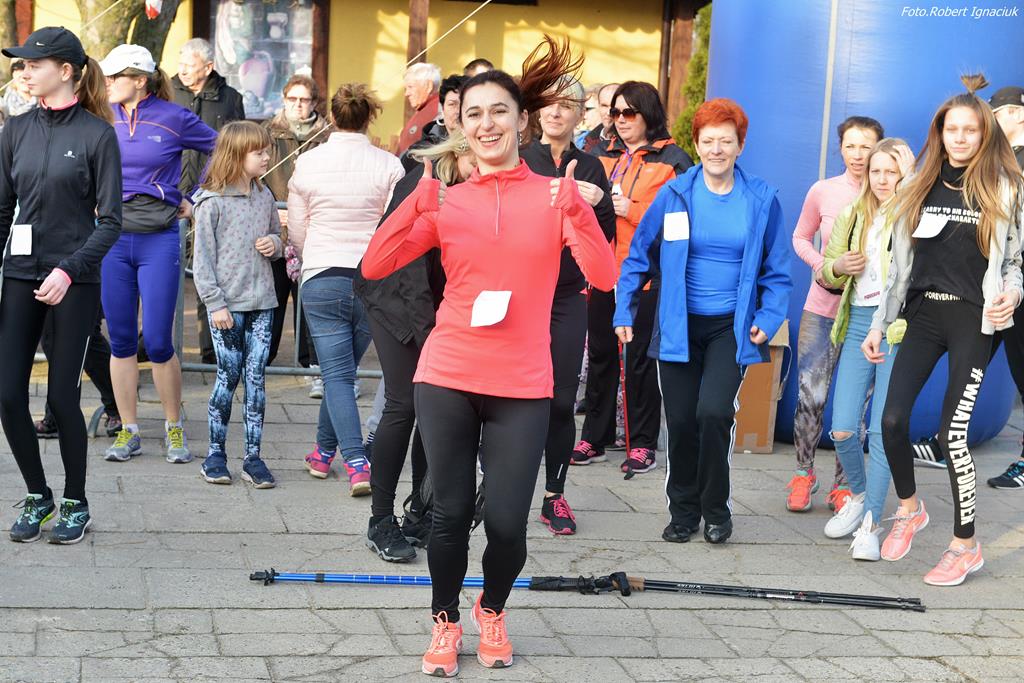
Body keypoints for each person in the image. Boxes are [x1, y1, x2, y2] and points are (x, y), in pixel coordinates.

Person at [361, 36, 616, 677]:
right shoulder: (447, 200)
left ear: (522, 120)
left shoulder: (555, 195)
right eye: (473, 113)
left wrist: (580, 213)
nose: (486, 124)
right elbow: (375, 265)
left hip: (522, 381)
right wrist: (417, 201)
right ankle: (446, 619)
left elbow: (604, 276)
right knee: (448, 514)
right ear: (460, 124)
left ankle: (492, 609)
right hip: (448, 372)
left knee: (505, 523)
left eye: (499, 110)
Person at [863, 74, 1023, 586]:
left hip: (973, 320)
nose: (960, 138)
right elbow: (896, 266)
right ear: (939, 132)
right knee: (891, 420)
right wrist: (879, 322)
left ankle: (965, 545)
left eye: (969, 130)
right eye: (951, 129)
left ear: (984, 134)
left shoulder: (1005, 186)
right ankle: (910, 508)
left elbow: (1014, 261)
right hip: (923, 315)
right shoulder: (918, 184)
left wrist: (1013, 292)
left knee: (954, 435)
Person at [614, 98, 791, 546]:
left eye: (726, 142)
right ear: (696, 144)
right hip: (677, 326)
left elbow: (777, 270)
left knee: (713, 413)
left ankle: (716, 510)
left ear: (740, 146)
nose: (716, 150)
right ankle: (683, 512)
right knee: (681, 421)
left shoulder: (761, 199)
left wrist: (769, 317)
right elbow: (638, 255)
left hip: (730, 327)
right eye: (708, 141)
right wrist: (623, 310)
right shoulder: (675, 194)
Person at [0, 27, 122, 544]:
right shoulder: (14, 129)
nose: (24, 72)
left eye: (34, 64)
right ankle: (38, 494)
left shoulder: (97, 135)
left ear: (66, 70)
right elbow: (2, 210)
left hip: (74, 280)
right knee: (7, 394)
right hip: (20, 273)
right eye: (21, 65)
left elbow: (111, 221)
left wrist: (69, 269)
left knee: (61, 398)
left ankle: (75, 500)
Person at [354, 131, 471, 562]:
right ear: (459, 153)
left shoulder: (482, 185)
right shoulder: (424, 180)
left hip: (437, 305)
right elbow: (409, 274)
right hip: (393, 297)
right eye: (477, 163)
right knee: (404, 402)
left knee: (435, 407)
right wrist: (430, 341)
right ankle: (380, 520)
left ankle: (421, 512)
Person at [98, 44, 217, 464]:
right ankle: (128, 430)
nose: (107, 82)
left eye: (115, 76)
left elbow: (222, 148)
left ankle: (173, 426)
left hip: (158, 238)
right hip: (111, 239)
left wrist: (195, 197)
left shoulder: (173, 117)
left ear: (140, 80)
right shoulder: (101, 115)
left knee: (160, 341)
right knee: (121, 340)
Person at [572, 80, 693, 476]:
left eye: (629, 112)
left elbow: (682, 220)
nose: (620, 120)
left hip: (646, 275)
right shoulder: (600, 154)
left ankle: (642, 443)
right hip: (601, 269)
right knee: (601, 355)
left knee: (639, 360)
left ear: (648, 113)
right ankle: (595, 437)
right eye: (615, 113)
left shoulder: (674, 159)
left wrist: (632, 209)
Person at [288, 83, 404, 496]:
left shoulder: (307, 162)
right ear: (370, 117)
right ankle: (322, 453)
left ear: (332, 116)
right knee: (342, 372)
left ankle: (355, 461)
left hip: (323, 272)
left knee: (336, 375)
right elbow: (393, 225)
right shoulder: (390, 165)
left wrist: (312, 255)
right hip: (372, 277)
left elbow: (297, 228)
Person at [902, 86, 1024, 478]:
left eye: (994, 114)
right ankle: (945, 443)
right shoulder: (994, 163)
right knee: (971, 366)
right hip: (982, 289)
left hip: (1010, 284)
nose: (963, 135)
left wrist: (1014, 286)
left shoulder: (1009, 174)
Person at [521, 78, 617, 534]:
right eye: (550, 104)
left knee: (561, 400)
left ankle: (553, 495)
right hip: (519, 292)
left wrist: (594, 206)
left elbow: (606, 237)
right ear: (538, 111)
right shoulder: (521, 158)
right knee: (514, 397)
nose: (557, 112)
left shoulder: (592, 166)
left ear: (582, 114)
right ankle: (502, 483)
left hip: (566, 295)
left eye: (567, 106)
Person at [819, 138, 914, 559]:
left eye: (891, 172)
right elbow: (827, 270)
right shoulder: (853, 213)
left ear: (905, 174)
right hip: (858, 320)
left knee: (879, 431)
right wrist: (840, 266)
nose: (882, 179)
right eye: (876, 171)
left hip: (897, 325)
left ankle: (872, 525)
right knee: (842, 427)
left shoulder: (912, 213)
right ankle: (859, 496)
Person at [788, 115, 883, 513]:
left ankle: (844, 485)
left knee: (856, 405)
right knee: (811, 396)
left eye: (866, 146)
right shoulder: (823, 191)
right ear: (840, 149)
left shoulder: (891, 194)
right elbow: (799, 237)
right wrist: (824, 265)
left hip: (867, 315)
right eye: (851, 146)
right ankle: (803, 474)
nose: (858, 155)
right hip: (822, 308)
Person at [192, 121, 282, 488]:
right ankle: (215, 453)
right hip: (226, 307)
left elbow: (277, 234)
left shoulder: (264, 195)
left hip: (263, 303)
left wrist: (275, 244)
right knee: (228, 376)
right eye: (259, 152)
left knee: (256, 378)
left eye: (267, 151)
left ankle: (253, 457)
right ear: (236, 155)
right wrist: (215, 304)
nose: (266, 157)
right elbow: (202, 261)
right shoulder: (210, 202)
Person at [172, 37, 246, 365]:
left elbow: (237, 148)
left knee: (209, 272)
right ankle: (154, 343)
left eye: (190, 65)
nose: (183, 70)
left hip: (213, 197)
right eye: (180, 64)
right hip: (172, 196)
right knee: (163, 277)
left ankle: (210, 350)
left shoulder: (231, 99)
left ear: (208, 67)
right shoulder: (168, 93)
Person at [262, 74, 329, 393]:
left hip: (314, 232)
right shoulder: (268, 132)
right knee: (272, 297)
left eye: (304, 100)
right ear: (283, 99)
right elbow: (255, 176)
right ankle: (263, 358)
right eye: (293, 99)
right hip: (275, 229)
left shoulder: (328, 136)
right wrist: (271, 209)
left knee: (309, 300)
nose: (298, 105)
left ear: (314, 103)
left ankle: (311, 364)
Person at [400, 73, 465, 172]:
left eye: (464, 104)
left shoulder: (481, 148)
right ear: (442, 109)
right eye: (452, 104)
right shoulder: (419, 153)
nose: (458, 111)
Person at [398, 63, 441, 154]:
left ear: (428, 86)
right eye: (406, 88)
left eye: (410, 87)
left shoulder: (440, 110)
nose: (406, 94)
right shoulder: (423, 109)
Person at [580, 82, 618, 155]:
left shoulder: (631, 141)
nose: (608, 112)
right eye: (604, 106)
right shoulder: (586, 140)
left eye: (587, 109)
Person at [0, 60, 37, 129]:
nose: (23, 76)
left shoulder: (46, 102)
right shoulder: (3, 106)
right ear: (12, 74)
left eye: (30, 67)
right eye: (17, 68)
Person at [574, 82, 603, 148]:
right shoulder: (578, 139)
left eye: (587, 109)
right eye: (581, 109)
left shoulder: (617, 139)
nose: (582, 114)